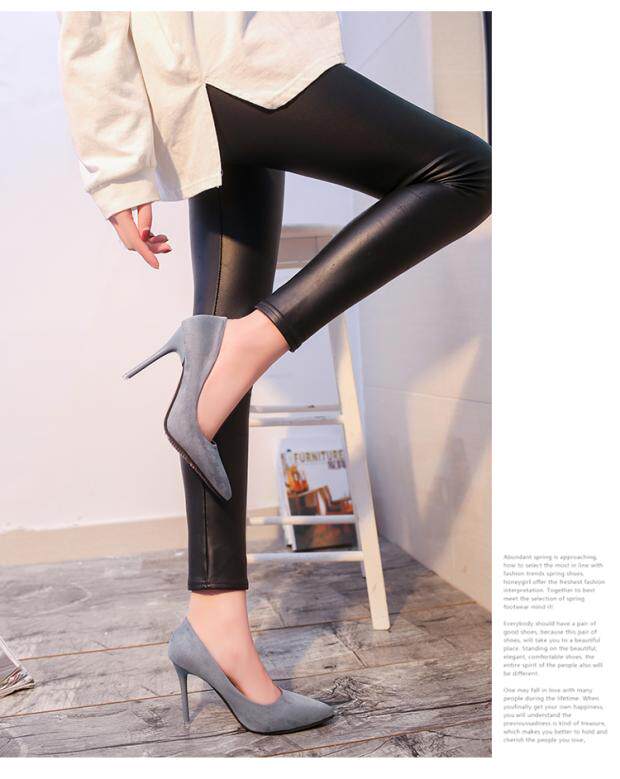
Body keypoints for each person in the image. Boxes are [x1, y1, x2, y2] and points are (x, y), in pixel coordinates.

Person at [58, 11, 491, 733]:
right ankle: (249, 343)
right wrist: (115, 168)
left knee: (218, 341)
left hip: (222, 68)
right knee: (466, 173)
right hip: (232, 64)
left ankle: (216, 622)